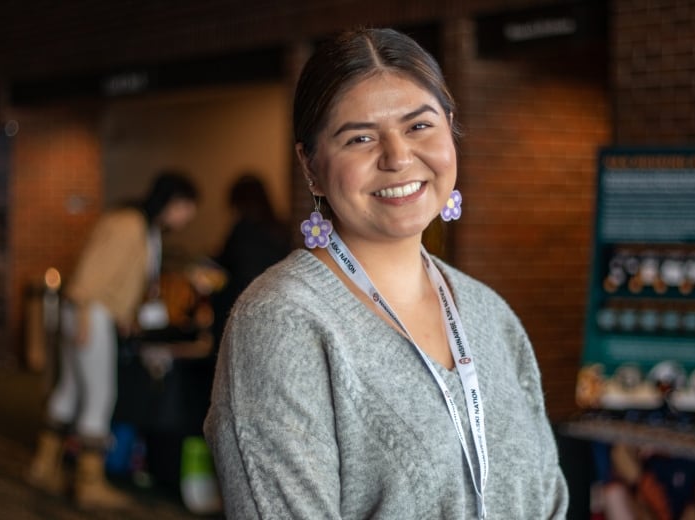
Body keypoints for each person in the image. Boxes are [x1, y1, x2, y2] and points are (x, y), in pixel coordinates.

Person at [204, 27, 568, 519]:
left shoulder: (489, 313)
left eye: (419, 126)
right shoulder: (282, 323)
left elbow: (548, 500)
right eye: (360, 137)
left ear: (451, 129)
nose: (398, 157)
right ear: (310, 166)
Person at [25, 170, 199, 509]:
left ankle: (43, 466)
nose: (187, 217)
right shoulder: (131, 226)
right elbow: (93, 273)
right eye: (187, 208)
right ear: (175, 202)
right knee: (100, 396)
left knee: (71, 391)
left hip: (89, 312)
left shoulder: (135, 224)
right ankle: (88, 483)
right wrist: (91, 316)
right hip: (91, 314)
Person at [211, 173, 290, 347]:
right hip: (276, 310)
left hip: (241, 307)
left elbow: (229, 268)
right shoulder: (280, 228)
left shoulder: (242, 230)